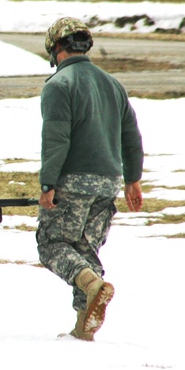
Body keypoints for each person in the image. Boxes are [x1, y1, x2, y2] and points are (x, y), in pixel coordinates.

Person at [37, 17, 144, 341]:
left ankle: (92, 285)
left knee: (52, 244)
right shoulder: (112, 84)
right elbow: (131, 135)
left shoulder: (59, 85)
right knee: (85, 250)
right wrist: (132, 179)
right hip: (107, 183)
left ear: (56, 48)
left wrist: (48, 183)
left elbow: (57, 138)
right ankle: (84, 325)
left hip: (73, 181)